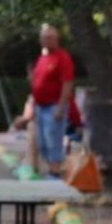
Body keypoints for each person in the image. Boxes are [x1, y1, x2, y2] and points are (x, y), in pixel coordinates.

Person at [31, 24, 75, 178]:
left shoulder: (62, 58)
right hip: (40, 107)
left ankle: (55, 174)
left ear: (56, 39)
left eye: (49, 38)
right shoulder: (42, 58)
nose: (46, 41)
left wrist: (61, 107)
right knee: (43, 143)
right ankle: (52, 171)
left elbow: (67, 83)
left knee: (53, 141)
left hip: (54, 106)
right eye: (43, 38)